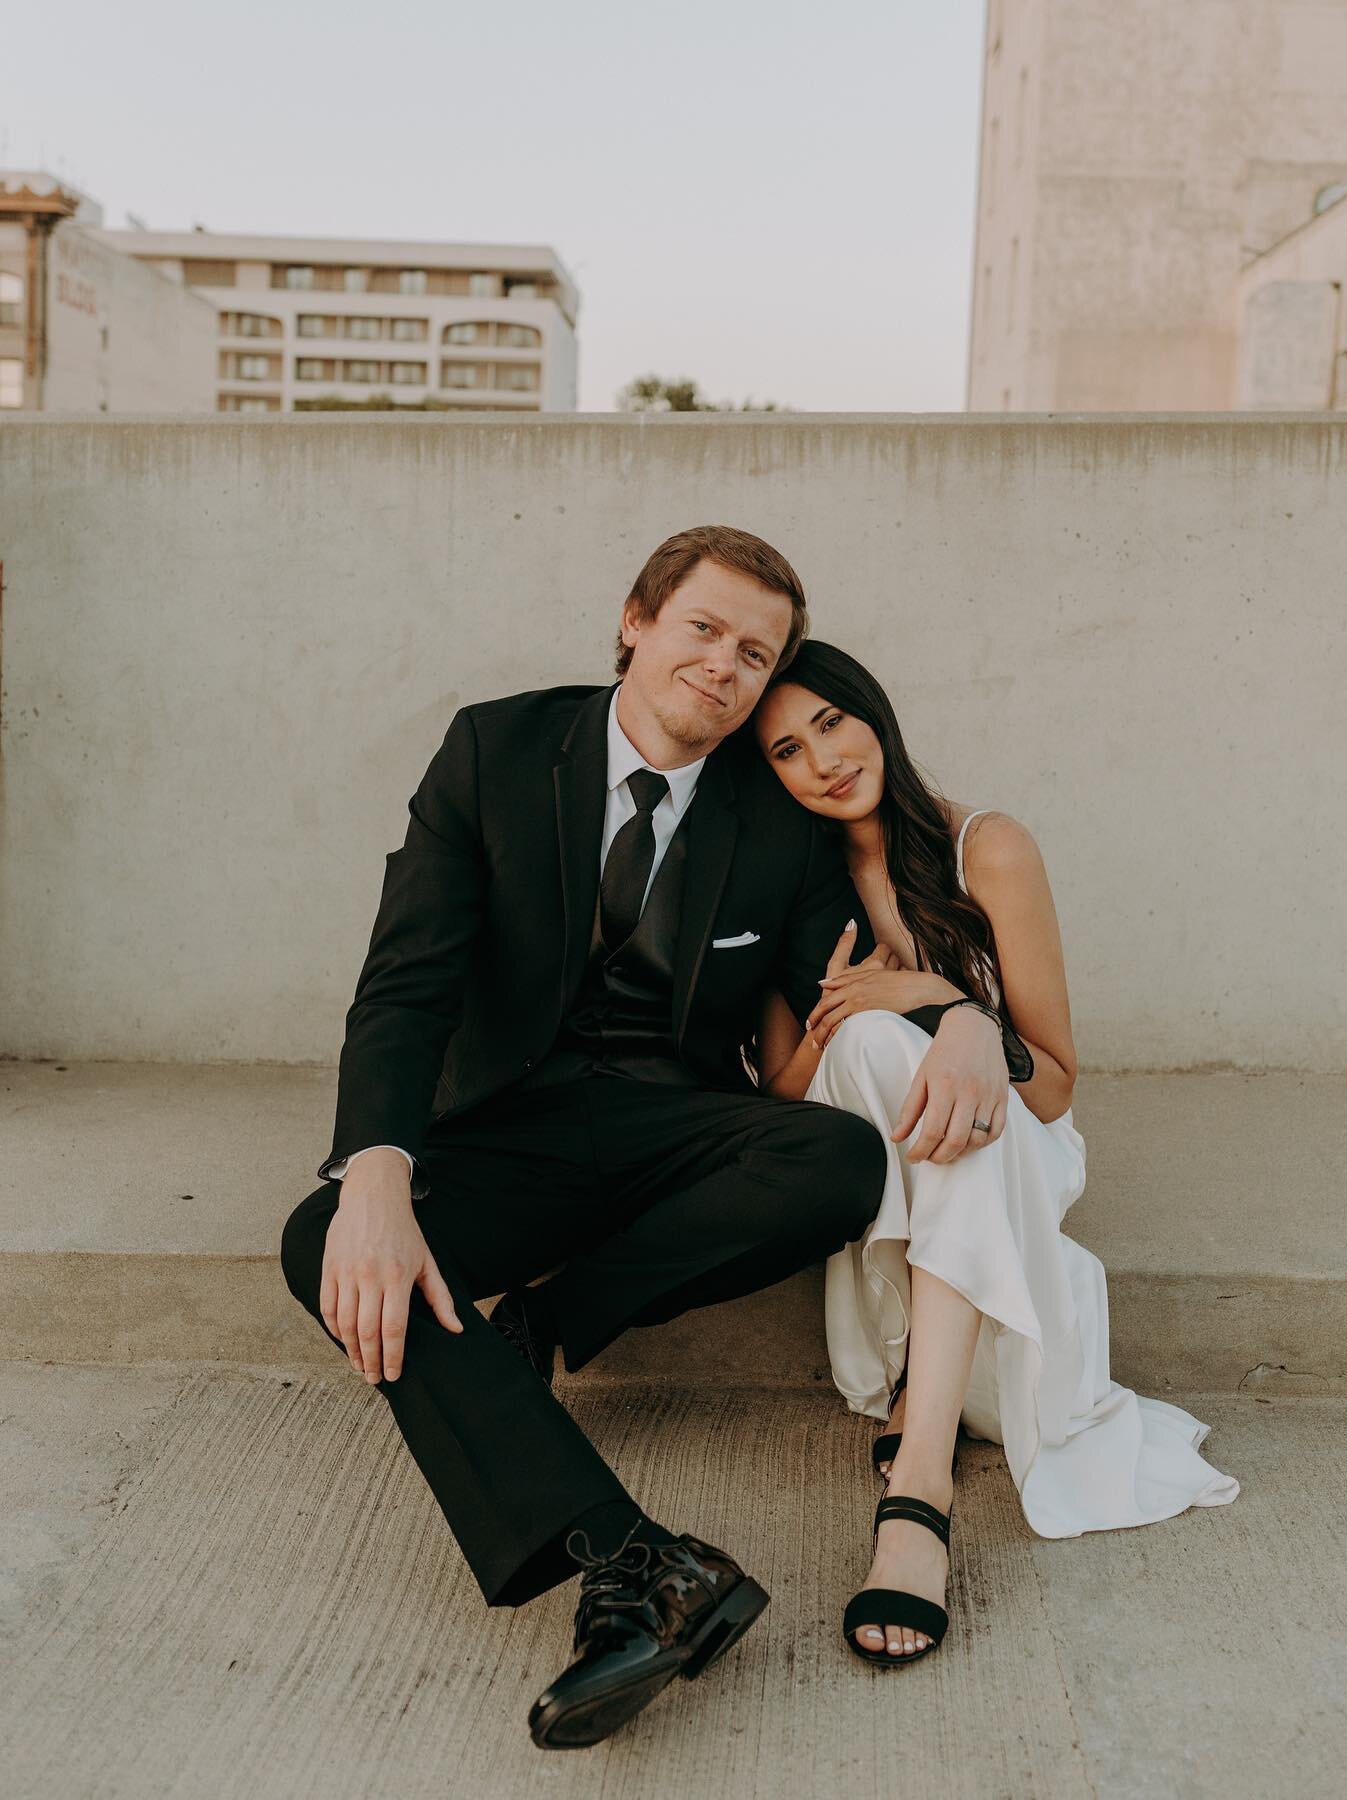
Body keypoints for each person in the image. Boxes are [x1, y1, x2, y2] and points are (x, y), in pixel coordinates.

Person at [278, 529, 1015, 1749]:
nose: (726, 666)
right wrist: (374, 1168)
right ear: (636, 619)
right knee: (324, 1237)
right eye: (704, 630)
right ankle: (638, 1562)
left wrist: (969, 1020)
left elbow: (843, 995)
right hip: (502, 1126)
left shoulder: (774, 818)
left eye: (756, 651)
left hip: (666, 1116)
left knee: (836, 1160)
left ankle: (547, 1326)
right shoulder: (497, 748)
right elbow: (405, 982)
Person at [752, 640, 1240, 1669]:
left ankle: (918, 1469)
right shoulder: (792, 881)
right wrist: (852, 1016)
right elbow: (786, 1089)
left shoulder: (989, 849)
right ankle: (923, 1467)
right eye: (788, 751)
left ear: (873, 711)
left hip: (1015, 1135)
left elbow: (1056, 1081)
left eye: (833, 723)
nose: (825, 761)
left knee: (927, 1060)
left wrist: (949, 1007)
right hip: (871, 1134)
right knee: (885, 1046)